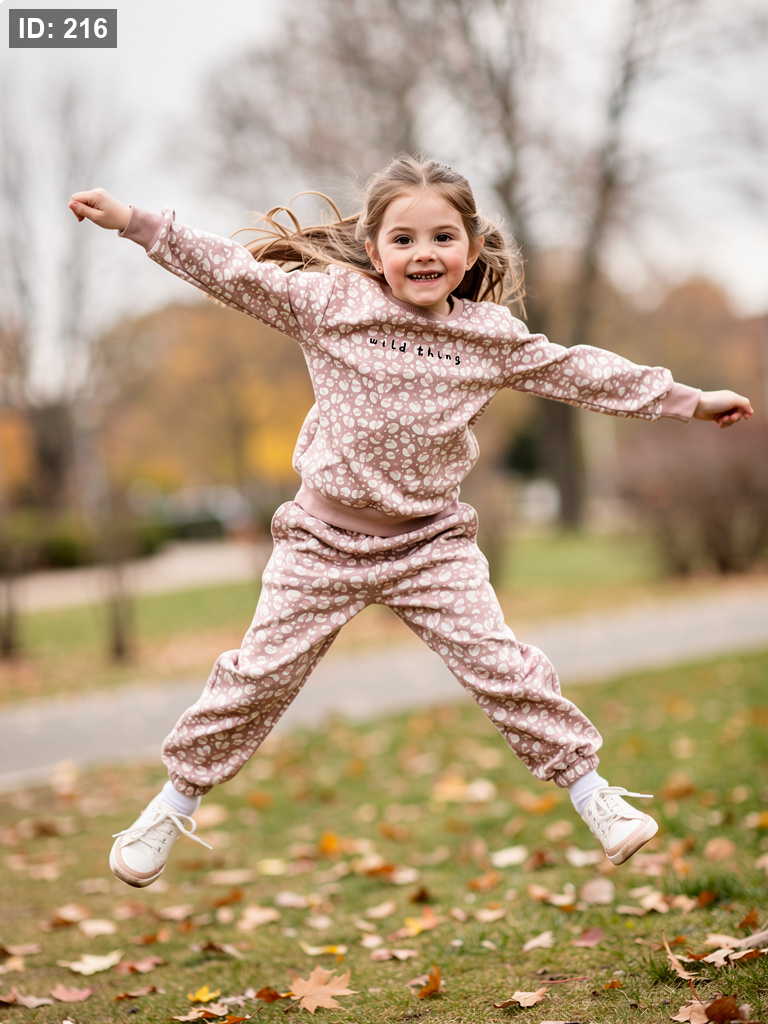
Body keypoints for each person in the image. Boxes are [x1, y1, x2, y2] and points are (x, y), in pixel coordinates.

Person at [70, 155, 752, 889]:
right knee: (258, 677)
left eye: (442, 238)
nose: (424, 254)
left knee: (501, 666)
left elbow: (580, 371)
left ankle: (595, 796)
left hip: (429, 545)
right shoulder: (330, 303)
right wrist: (136, 223)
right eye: (404, 240)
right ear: (374, 251)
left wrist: (689, 400)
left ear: (471, 247)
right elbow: (233, 273)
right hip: (322, 543)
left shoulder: (489, 336)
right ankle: (173, 805)